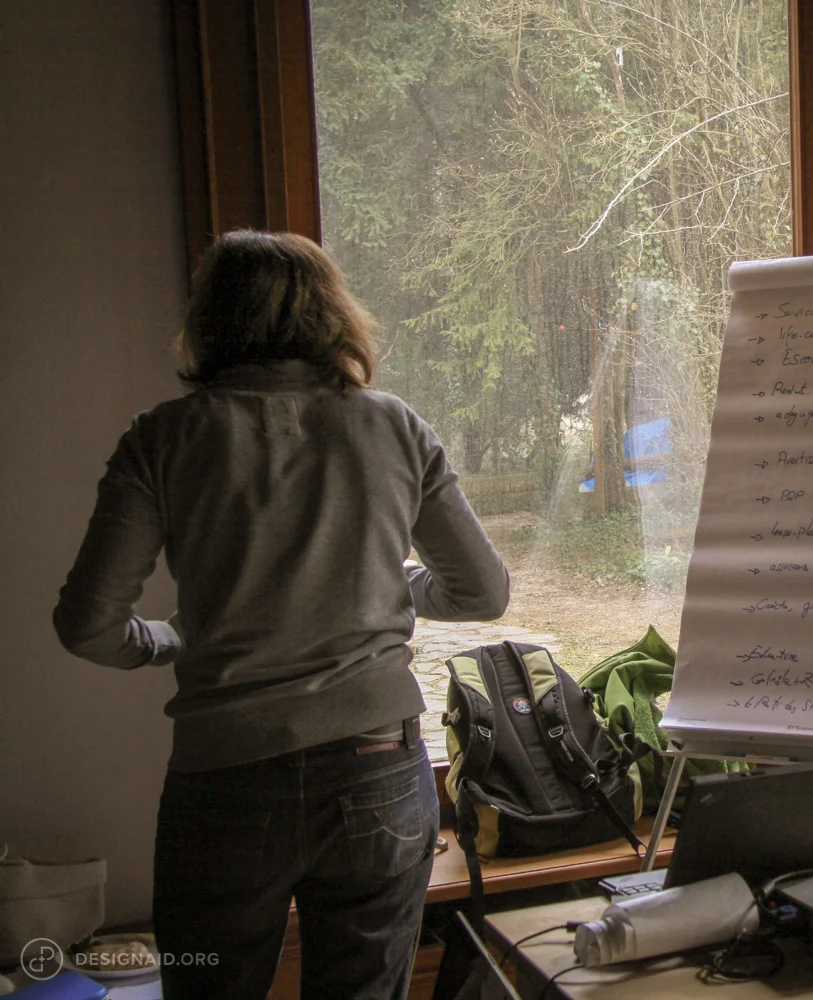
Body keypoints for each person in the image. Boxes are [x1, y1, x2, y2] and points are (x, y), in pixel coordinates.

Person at [53, 230, 510, 1000]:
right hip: (375, 767)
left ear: (210, 320)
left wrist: (167, 640)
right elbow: (482, 594)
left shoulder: (161, 437)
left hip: (224, 781)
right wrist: (386, 584)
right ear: (333, 313)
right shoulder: (394, 425)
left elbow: (88, 625)